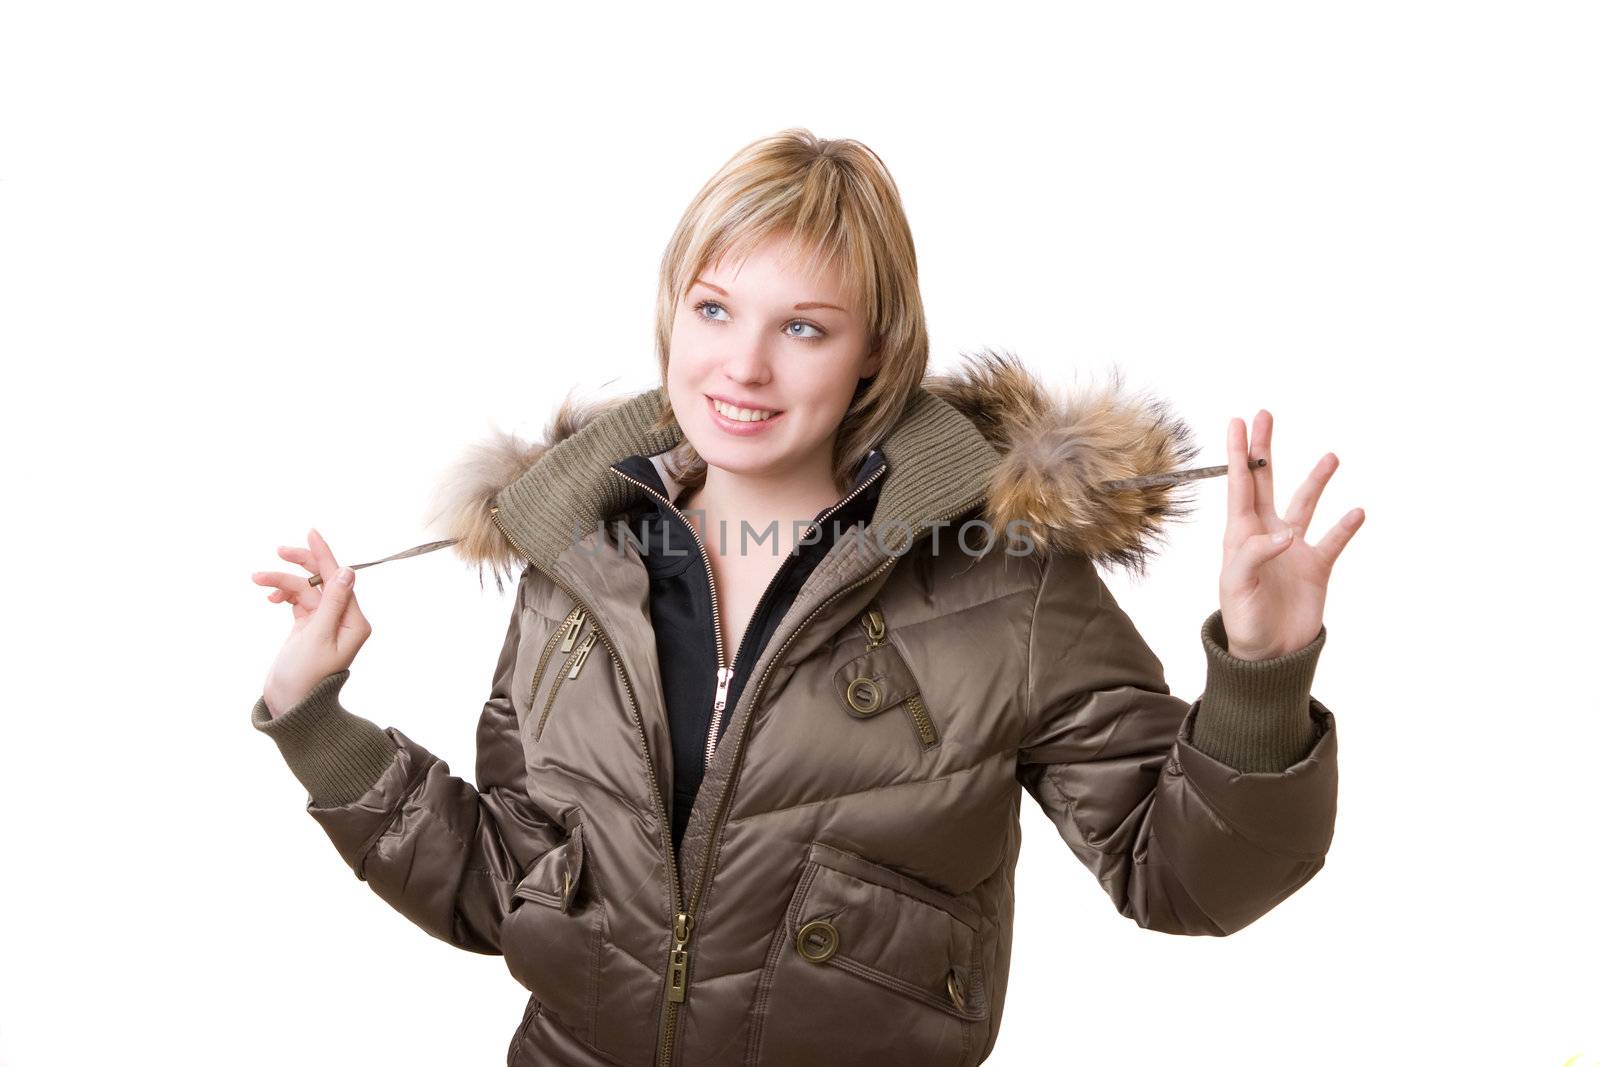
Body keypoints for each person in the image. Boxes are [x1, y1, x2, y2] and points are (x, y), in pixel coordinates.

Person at [248, 128, 1364, 1067]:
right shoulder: (577, 559)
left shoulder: (1006, 579)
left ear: (872, 351)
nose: (741, 367)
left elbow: (1180, 874)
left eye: (802, 326)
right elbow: (508, 886)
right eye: (715, 308)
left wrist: (1259, 675)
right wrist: (319, 728)